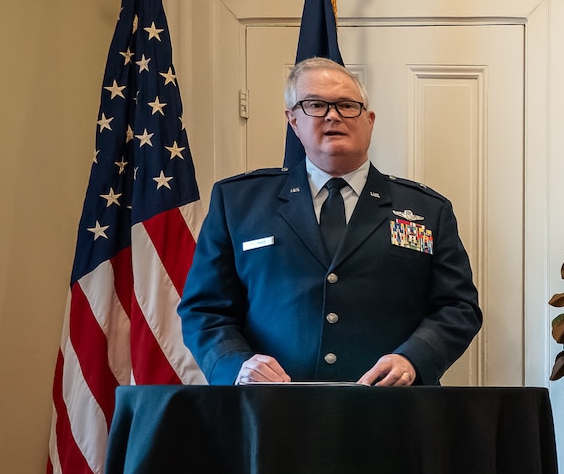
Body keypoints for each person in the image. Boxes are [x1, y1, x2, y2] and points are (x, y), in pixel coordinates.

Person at [179, 57, 481, 386]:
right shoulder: (238, 203)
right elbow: (204, 308)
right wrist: (235, 365)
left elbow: (458, 307)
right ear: (293, 121)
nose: (332, 115)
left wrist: (414, 358)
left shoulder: (427, 209)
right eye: (315, 105)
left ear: (369, 120)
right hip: (271, 410)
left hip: (392, 411)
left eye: (347, 105)